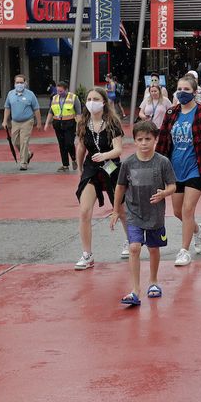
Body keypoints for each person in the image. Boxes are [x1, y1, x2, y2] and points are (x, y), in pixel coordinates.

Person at [156, 74, 201, 266]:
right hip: (174, 169)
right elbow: (162, 143)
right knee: (178, 211)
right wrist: (154, 167)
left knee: (188, 209)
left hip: (197, 169)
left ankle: (184, 251)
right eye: (180, 89)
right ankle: (197, 230)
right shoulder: (171, 114)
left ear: (195, 93)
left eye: (187, 90)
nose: (182, 93)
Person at [110, 120, 177, 306]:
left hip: (155, 214)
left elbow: (172, 185)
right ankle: (135, 290)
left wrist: (165, 193)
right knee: (134, 248)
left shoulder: (163, 162)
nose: (144, 143)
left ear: (155, 139)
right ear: (134, 141)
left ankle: (153, 281)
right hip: (133, 212)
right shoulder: (128, 163)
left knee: (153, 249)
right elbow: (120, 187)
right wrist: (116, 209)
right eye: (140, 139)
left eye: (148, 138)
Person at [74, 87, 127, 269]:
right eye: (89, 99)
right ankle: (87, 254)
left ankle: (131, 241)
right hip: (91, 168)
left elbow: (118, 149)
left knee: (120, 210)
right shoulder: (83, 123)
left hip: (111, 166)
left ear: (103, 102)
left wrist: (104, 156)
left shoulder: (112, 123)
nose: (91, 102)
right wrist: (80, 168)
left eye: (95, 99)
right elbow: (81, 147)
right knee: (84, 211)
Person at [2, 74, 42, 171]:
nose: (19, 84)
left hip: (27, 121)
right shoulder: (10, 94)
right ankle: (27, 154)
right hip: (15, 121)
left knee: (24, 141)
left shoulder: (30, 94)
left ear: (25, 83)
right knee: (15, 141)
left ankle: (23, 163)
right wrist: (4, 121)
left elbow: (36, 109)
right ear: (14, 83)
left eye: (21, 82)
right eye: (17, 82)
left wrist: (39, 122)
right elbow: (7, 107)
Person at [43, 80, 81, 172]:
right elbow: (51, 111)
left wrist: (79, 127)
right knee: (62, 145)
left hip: (69, 124)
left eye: (61, 91)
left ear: (66, 90)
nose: (59, 93)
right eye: (58, 91)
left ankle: (74, 159)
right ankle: (65, 165)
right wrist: (47, 123)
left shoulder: (74, 98)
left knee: (69, 143)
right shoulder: (55, 98)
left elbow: (78, 113)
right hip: (57, 124)